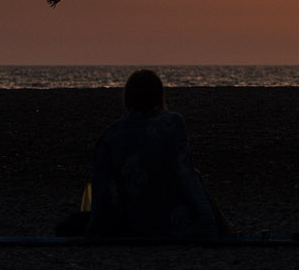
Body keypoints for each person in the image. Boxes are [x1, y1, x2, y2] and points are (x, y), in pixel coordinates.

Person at [57, 69, 231, 238]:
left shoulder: (111, 134)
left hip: (131, 222)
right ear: (158, 95)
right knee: (196, 176)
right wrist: (209, 225)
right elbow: (187, 178)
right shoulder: (171, 123)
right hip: (172, 222)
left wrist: (95, 228)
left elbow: (103, 187)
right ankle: (227, 229)